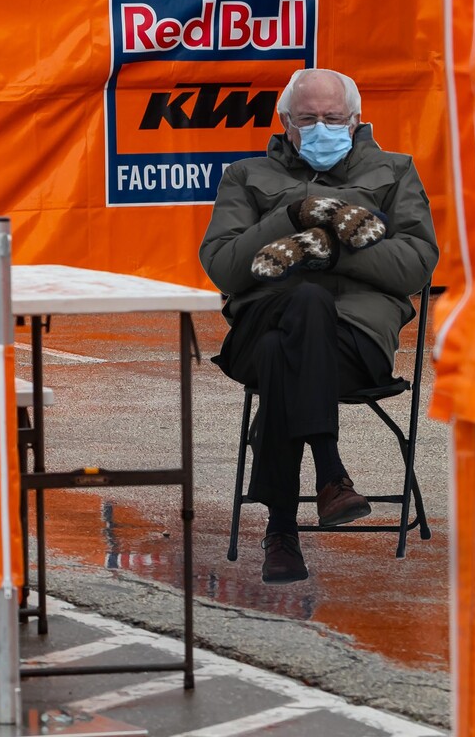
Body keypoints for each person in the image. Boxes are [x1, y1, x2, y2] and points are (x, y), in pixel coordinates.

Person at [200, 67, 438, 585]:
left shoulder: (394, 171)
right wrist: (291, 214)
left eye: (333, 117)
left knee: (284, 350)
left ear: (355, 121)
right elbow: (223, 266)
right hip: (260, 324)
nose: (322, 127)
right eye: (308, 118)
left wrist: (329, 254)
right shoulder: (245, 175)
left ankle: (282, 531)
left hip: (353, 343)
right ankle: (329, 470)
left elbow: (416, 266)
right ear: (286, 122)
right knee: (298, 309)